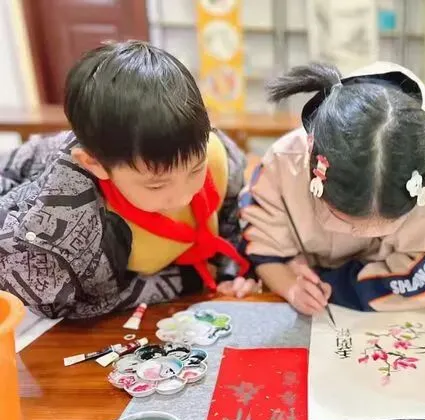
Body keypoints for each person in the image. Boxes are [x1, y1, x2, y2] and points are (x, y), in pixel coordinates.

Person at [0, 41, 256, 319]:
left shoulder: (214, 151)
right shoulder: (52, 232)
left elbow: (232, 214)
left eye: (196, 170)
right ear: (94, 164)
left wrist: (231, 271)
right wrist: (183, 280)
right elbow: (64, 304)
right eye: (157, 184)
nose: (184, 196)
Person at [239, 61, 425, 315]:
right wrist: (289, 283)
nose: (360, 233)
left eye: (386, 224)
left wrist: (336, 284)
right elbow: (263, 245)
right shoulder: (283, 163)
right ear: (315, 167)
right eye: (342, 218)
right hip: (306, 299)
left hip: (393, 306)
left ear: (421, 189)